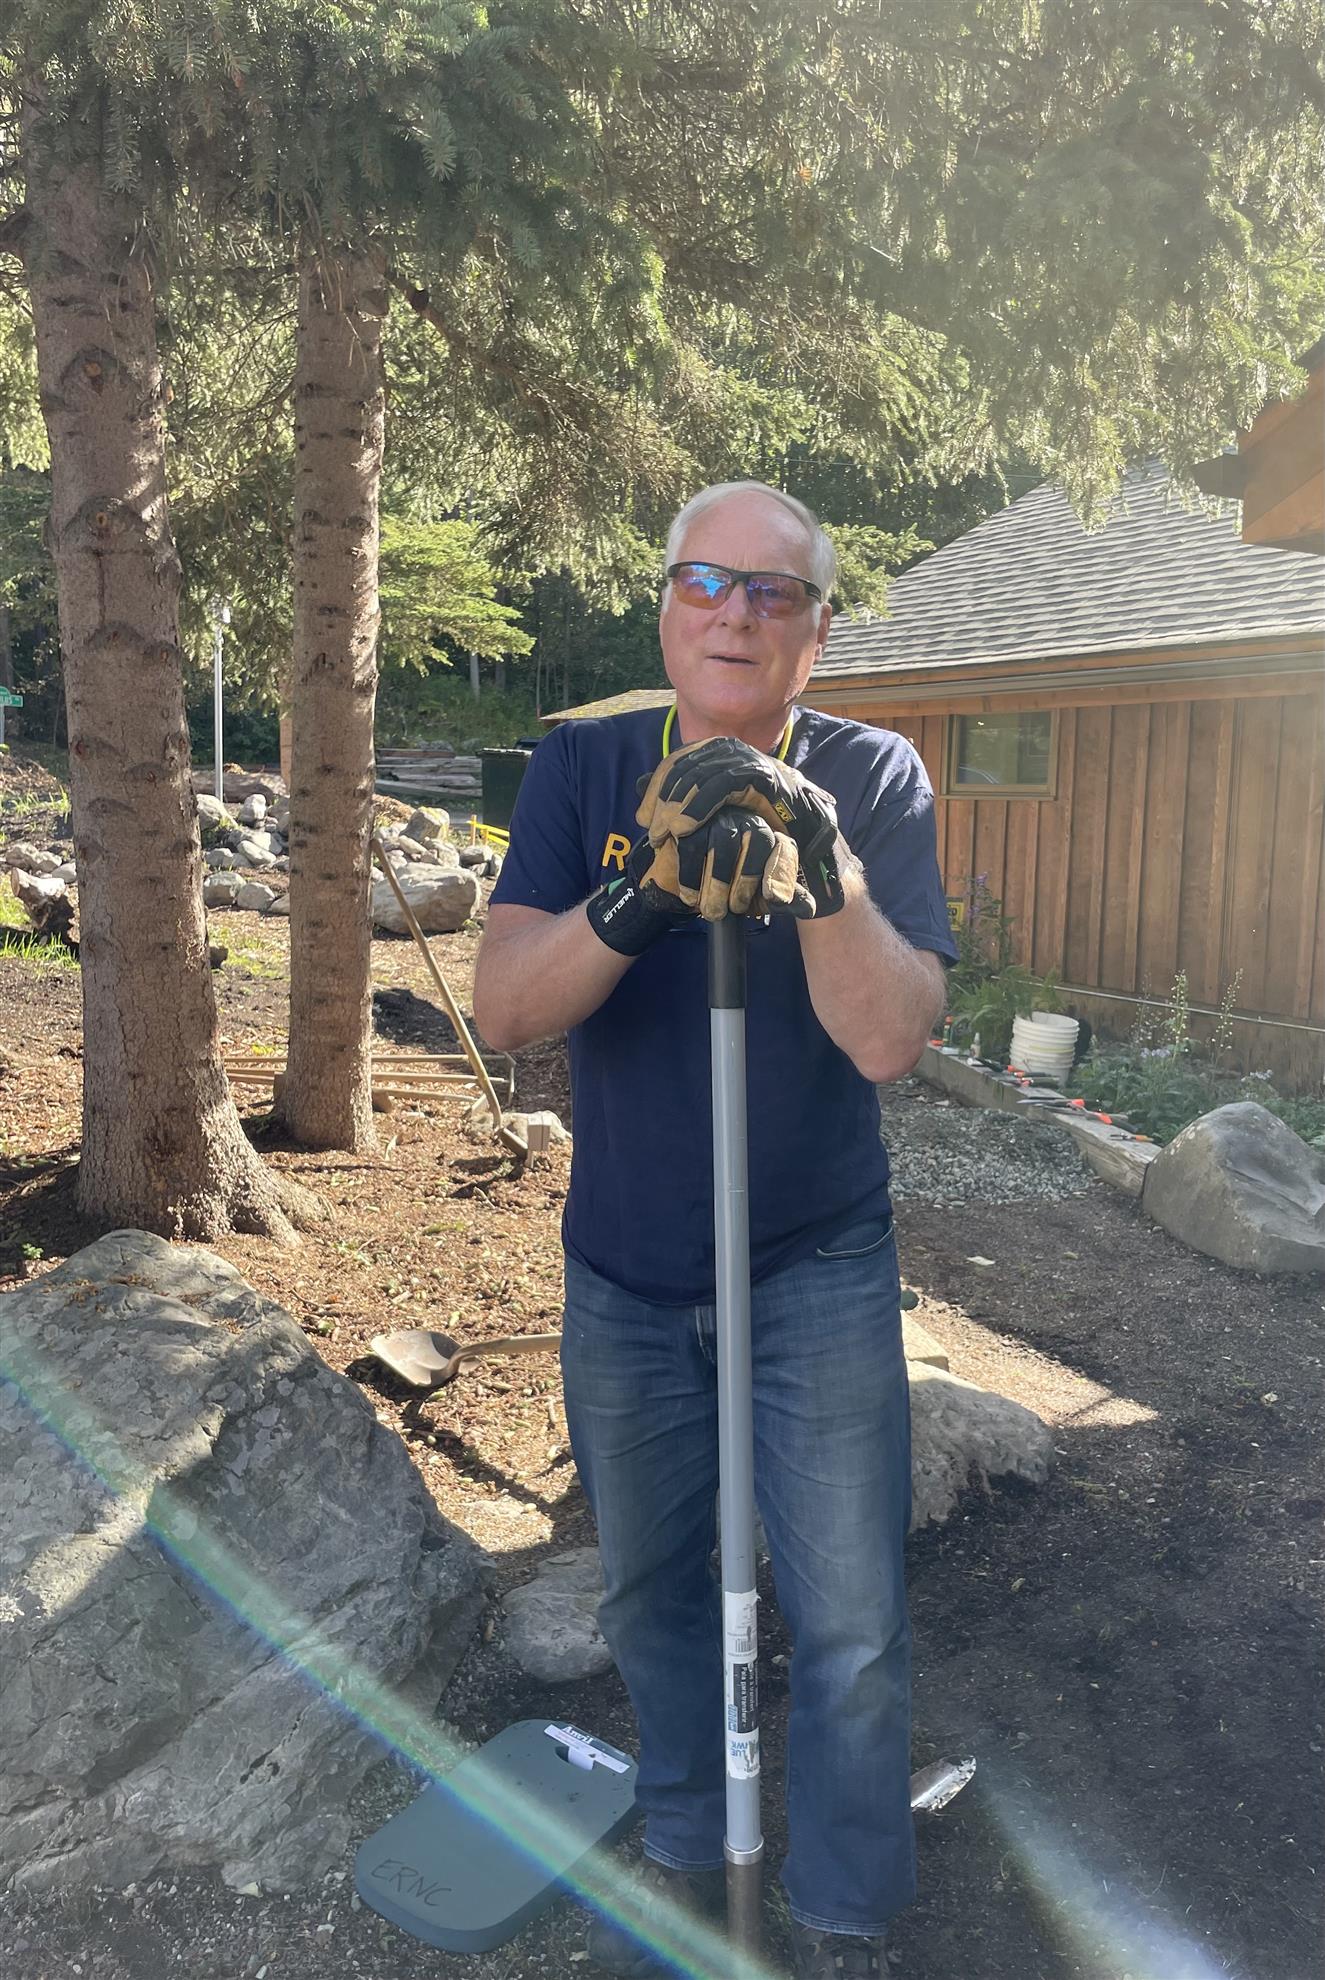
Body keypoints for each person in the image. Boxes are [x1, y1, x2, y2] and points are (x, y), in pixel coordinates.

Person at [472, 482, 956, 1979]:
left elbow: (889, 1039)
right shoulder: (583, 764)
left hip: (808, 1262)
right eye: (706, 582)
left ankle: (848, 1900)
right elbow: (504, 1010)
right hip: (623, 1264)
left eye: (774, 594)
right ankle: (690, 1846)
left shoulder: (873, 774)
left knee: (852, 1615)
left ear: (815, 630)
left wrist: (820, 868)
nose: (736, 612)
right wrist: (634, 899)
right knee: (648, 1589)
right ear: (665, 607)